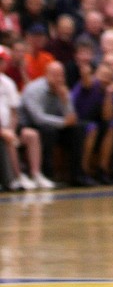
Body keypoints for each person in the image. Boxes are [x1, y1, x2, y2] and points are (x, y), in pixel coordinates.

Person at [19, 60, 91, 186]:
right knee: (48, 131)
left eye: (61, 75)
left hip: (55, 125)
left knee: (78, 129)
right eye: (55, 75)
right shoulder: (34, 89)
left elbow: (72, 117)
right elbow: (38, 118)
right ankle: (47, 174)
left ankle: (77, 175)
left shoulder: (63, 89)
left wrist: (64, 100)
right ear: (46, 74)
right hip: (31, 125)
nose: (59, 78)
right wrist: (63, 122)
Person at [0, 45, 53, 189]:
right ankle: (17, 177)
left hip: (8, 127)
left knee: (32, 135)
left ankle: (36, 174)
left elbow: (14, 112)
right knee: (9, 139)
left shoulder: (7, 83)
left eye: (2, 61)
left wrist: (11, 128)